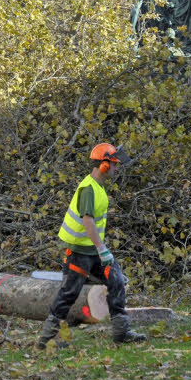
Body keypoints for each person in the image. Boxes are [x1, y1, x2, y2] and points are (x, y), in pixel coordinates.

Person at [37, 143, 146, 349]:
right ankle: (46, 340)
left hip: (93, 250)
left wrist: (100, 249)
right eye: (114, 165)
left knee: (116, 281)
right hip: (80, 251)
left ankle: (122, 331)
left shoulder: (99, 187)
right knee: (69, 293)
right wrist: (102, 248)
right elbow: (87, 221)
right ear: (104, 165)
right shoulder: (88, 188)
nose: (116, 169)